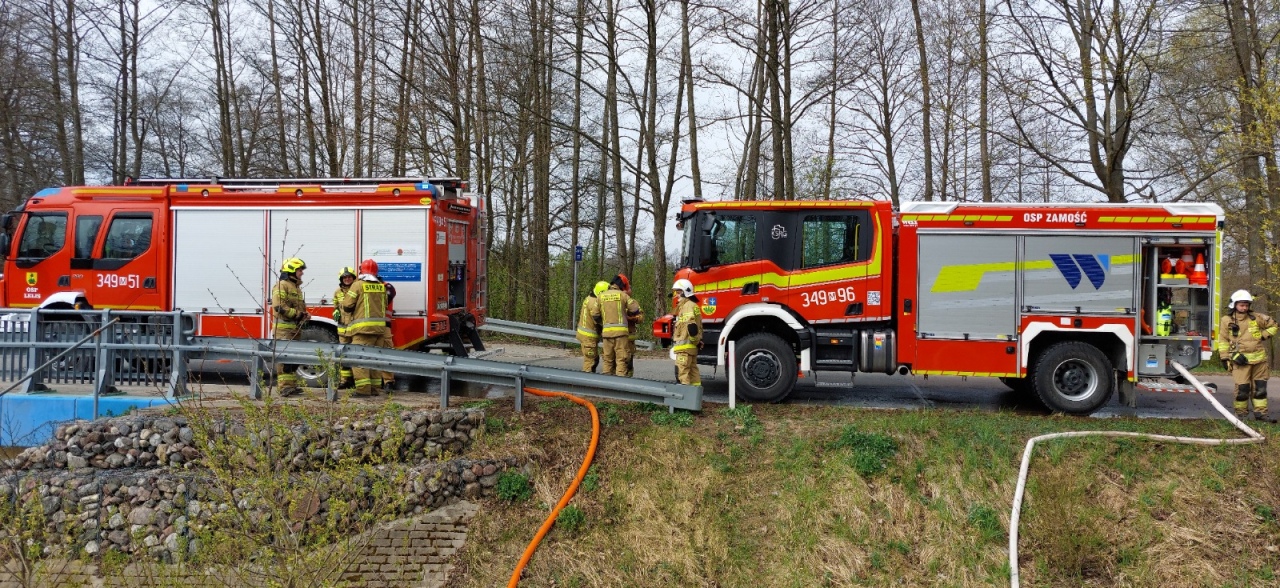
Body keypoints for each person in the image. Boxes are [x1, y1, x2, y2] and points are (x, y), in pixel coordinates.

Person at [1217, 289, 1278, 422]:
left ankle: (1261, 414)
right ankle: (1241, 416)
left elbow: (1274, 326)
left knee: (1260, 389)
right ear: (1234, 305)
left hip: (1260, 361)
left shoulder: (1256, 318)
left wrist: (1263, 335)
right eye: (1241, 305)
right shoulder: (1226, 320)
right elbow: (1223, 340)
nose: (1244, 308)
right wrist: (1225, 357)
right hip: (1240, 361)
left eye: (1246, 305)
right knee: (1242, 389)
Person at [342, 259, 389, 397]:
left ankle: (363, 390)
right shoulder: (381, 285)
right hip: (380, 330)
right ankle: (374, 389)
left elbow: (347, 305)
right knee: (374, 360)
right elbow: (385, 305)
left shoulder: (357, 285)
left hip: (363, 330)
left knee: (358, 359)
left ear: (361, 271)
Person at [272, 257, 309, 397]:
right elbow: (279, 307)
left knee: (293, 359)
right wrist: (298, 315)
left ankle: (291, 386)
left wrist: (304, 314)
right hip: (284, 330)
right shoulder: (282, 285)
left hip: (294, 329)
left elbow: (296, 307)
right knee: (285, 360)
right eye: (300, 270)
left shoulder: (295, 287)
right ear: (291, 270)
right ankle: (284, 387)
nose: (302, 273)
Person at [598, 278, 643, 376]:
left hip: (607, 333)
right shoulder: (623, 296)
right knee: (621, 360)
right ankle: (620, 385)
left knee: (607, 359)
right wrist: (630, 316)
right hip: (621, 334)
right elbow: (635, 309)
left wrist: (605, 321)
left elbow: (595, 314)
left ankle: (606, 384)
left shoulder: (601, 296)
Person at [671, 278, 703, 387]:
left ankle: (686, 401)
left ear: (686, 291)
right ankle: (696, 397)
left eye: (678, 292)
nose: (676, 295)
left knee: (683, 374)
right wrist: (696, 342)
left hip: (684, 348)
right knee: (694, 374)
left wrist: (695, 341)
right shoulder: (692, 305)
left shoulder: (687, 306)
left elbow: (691, 326)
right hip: (690, 348)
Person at [331, 266, 357, 389]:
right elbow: (335, 305)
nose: (347, 279)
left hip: (355, 329)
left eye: (349, 277)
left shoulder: (357, 289)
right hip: (342, 329)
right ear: (341, 279)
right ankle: (345, 381)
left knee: (356, 355)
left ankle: (357, 380)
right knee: (343, 356)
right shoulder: (337, 292)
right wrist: (335, 311)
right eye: (345, 277)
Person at [577, 281, 610, 372]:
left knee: (594, 359)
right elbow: (597, 318)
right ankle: (587, 383)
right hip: (588, 337)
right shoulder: (593, 302)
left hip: (586, 335)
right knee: (590, 361)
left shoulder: (589, 298)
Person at [612, 274, 641, 376]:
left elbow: (640, 316)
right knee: (617, 360)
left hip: (629, 338)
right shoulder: (615, 302)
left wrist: (631, 318)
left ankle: (628, 378)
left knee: (628, 362)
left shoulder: (633, 303)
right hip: (617, 336)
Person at [377, 274, 398, 391]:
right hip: (368, 326)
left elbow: (386, 299)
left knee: (386, 353)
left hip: (384, 325)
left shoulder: (387, 287)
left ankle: (389, 381)